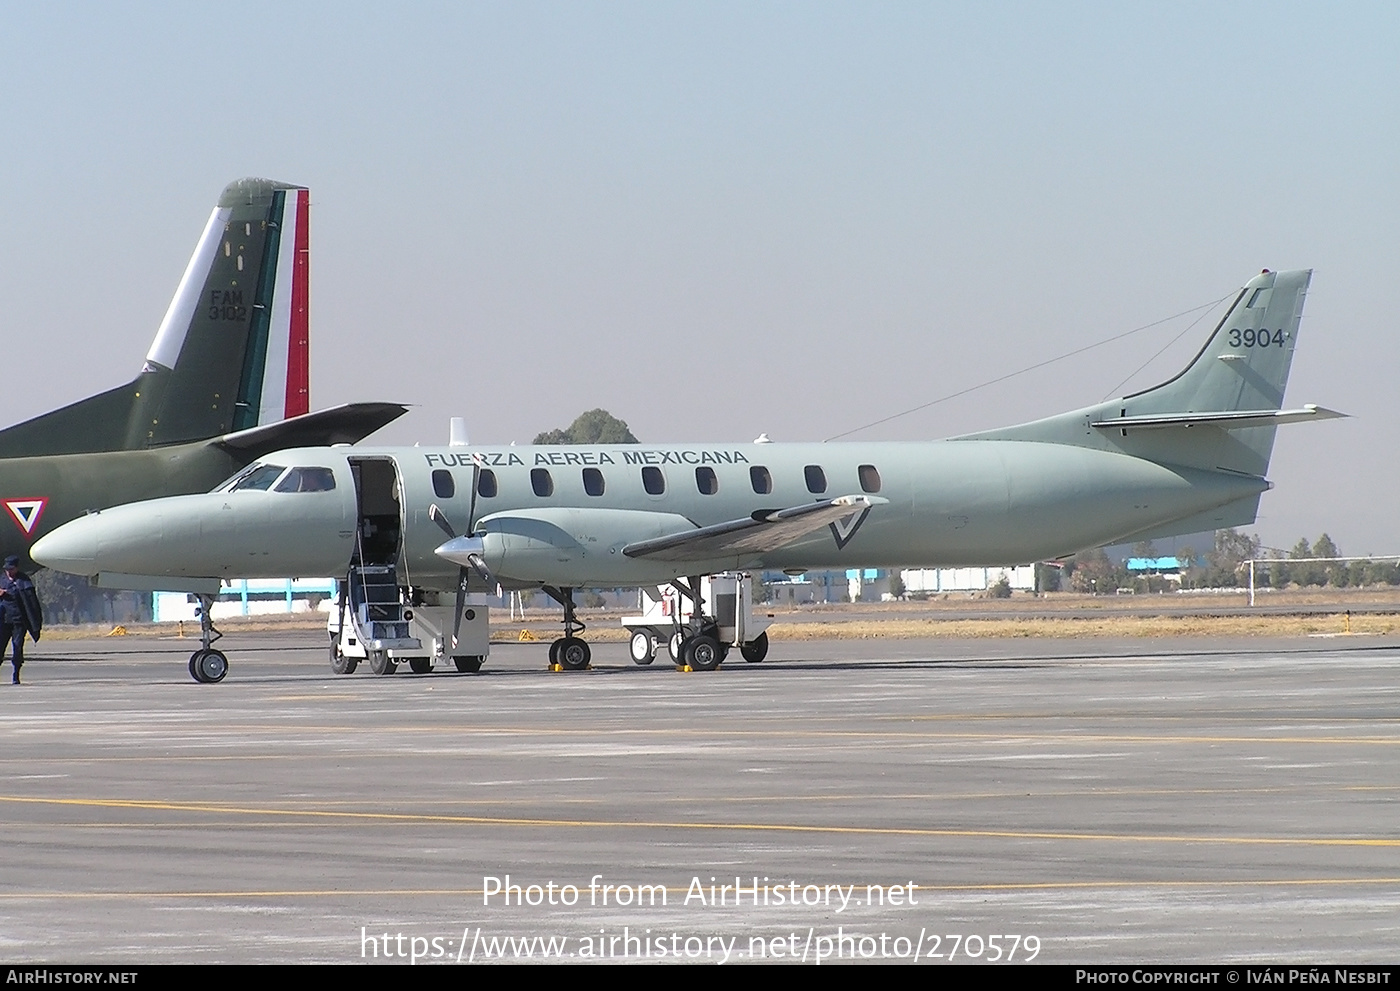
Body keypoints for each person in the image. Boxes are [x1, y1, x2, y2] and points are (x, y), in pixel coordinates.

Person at [0, 555, 42, 684]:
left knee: (17, 647)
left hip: (19, 622)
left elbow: (31, 602)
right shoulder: (1, 580)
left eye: (11, 569)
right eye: (7, 569)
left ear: (17, 568)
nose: (9, 572)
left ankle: (15, 675)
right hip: (3, 621)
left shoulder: (24, 581)